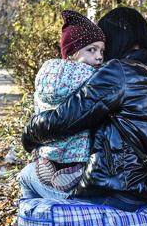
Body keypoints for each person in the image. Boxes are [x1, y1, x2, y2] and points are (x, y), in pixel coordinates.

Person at [21, 7, 147, 211]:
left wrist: (28, 134)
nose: (100, 55)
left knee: (26, 176)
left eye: (103, 47)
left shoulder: (118, 72)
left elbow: (64, 119)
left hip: (114, 191)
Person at [19, 10, 105, 198]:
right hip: (77, 155)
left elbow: (39, 108)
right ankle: (73, 170)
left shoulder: (45, 73)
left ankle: (46, 163)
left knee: (27, 177)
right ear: (73, 53)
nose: (99, 56)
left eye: (101, 51)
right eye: (91, 49)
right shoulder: (91, 76)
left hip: (48, 148)